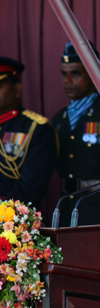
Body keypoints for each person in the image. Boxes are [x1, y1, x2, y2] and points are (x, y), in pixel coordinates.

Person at [52, 41, 100, 226]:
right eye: (64, 74)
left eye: (75, 73)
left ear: (93, 73)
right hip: (66, 207)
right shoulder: (60, 119)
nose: (67, 80)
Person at [0, 57, 57, 206]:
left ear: (17, 89)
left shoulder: (37, 128)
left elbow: (31, 188)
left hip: (12, 215)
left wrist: (5, 210)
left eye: (0, 86)